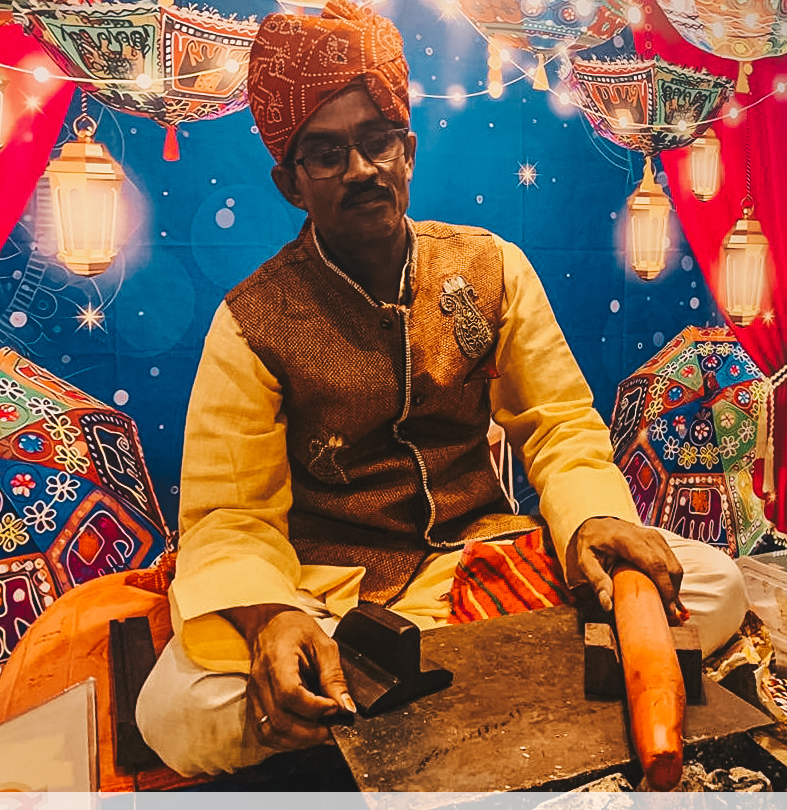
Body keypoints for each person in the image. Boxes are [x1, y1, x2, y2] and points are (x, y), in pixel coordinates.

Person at [135, 1, 748, 777]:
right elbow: (229, 514)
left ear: (408, 151)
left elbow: (559, 424)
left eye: (376, 141)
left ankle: (404, 709)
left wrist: (593, 521)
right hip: (335, 594)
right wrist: (272, 615)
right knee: (178, 714)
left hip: (481, 560)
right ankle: (488, 686)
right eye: (325, 154)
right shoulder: (252, 321)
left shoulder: (493, 268)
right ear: (290, 183)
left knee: (718, 584)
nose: (359, 169)